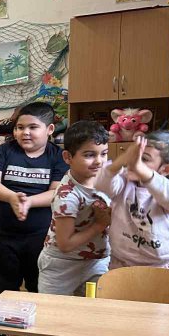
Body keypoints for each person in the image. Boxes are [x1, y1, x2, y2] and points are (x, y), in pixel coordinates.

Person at [0, 102, 68, 336]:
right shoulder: (4, 151)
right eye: (19, 128)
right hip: (1, 232)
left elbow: (56, 191)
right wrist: (11, 197)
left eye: (32, 127)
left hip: (40, 235)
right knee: (2, 282)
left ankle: (37, 328)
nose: (24, 133)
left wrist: (28, 201)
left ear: (49, 129)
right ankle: (2, 327)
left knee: (38, 282)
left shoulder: (57, 156)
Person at [37, 121, 112, 295]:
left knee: (94, 308)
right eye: (89, 155)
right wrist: (99, 225)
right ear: (68, 157)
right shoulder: (67, 195)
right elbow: (65, 244)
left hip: (97, 261)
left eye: (104, 153)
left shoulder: (107, 179)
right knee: (53, 310)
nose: (99, 161)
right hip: (62, 265)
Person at [94, 132, 169, 269]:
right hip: (122, 262)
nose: (133, 162)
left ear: (166, 169)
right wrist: (121, 160)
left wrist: (141, 170)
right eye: (133, 156)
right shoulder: (123, 181)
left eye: (144, 158)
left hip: (162, 264)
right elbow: (101, 183)